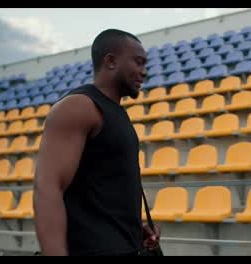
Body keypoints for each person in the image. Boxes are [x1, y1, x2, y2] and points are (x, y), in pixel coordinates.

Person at [33, 29, 160, 256]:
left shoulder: (116, 112)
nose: (144, 71)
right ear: (111, 61)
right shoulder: (79, 106)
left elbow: (101, 190)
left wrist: (132, 228)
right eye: (138, 63)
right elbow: (48, 187)